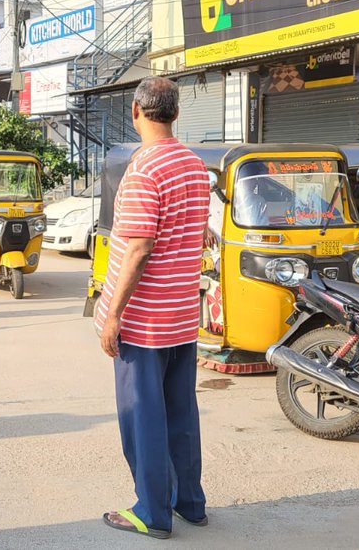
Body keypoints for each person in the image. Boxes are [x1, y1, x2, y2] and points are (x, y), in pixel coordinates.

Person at [94, 77, 211, 540]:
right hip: (181, 314)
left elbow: (139, 246)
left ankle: (152, 511)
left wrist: (115, 314)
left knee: (142, 416)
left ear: (136, 111)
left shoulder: (146, 170)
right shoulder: (194, 166)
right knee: (180, 412)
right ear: (176, 114)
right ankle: (190, 503)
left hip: (144, 322)